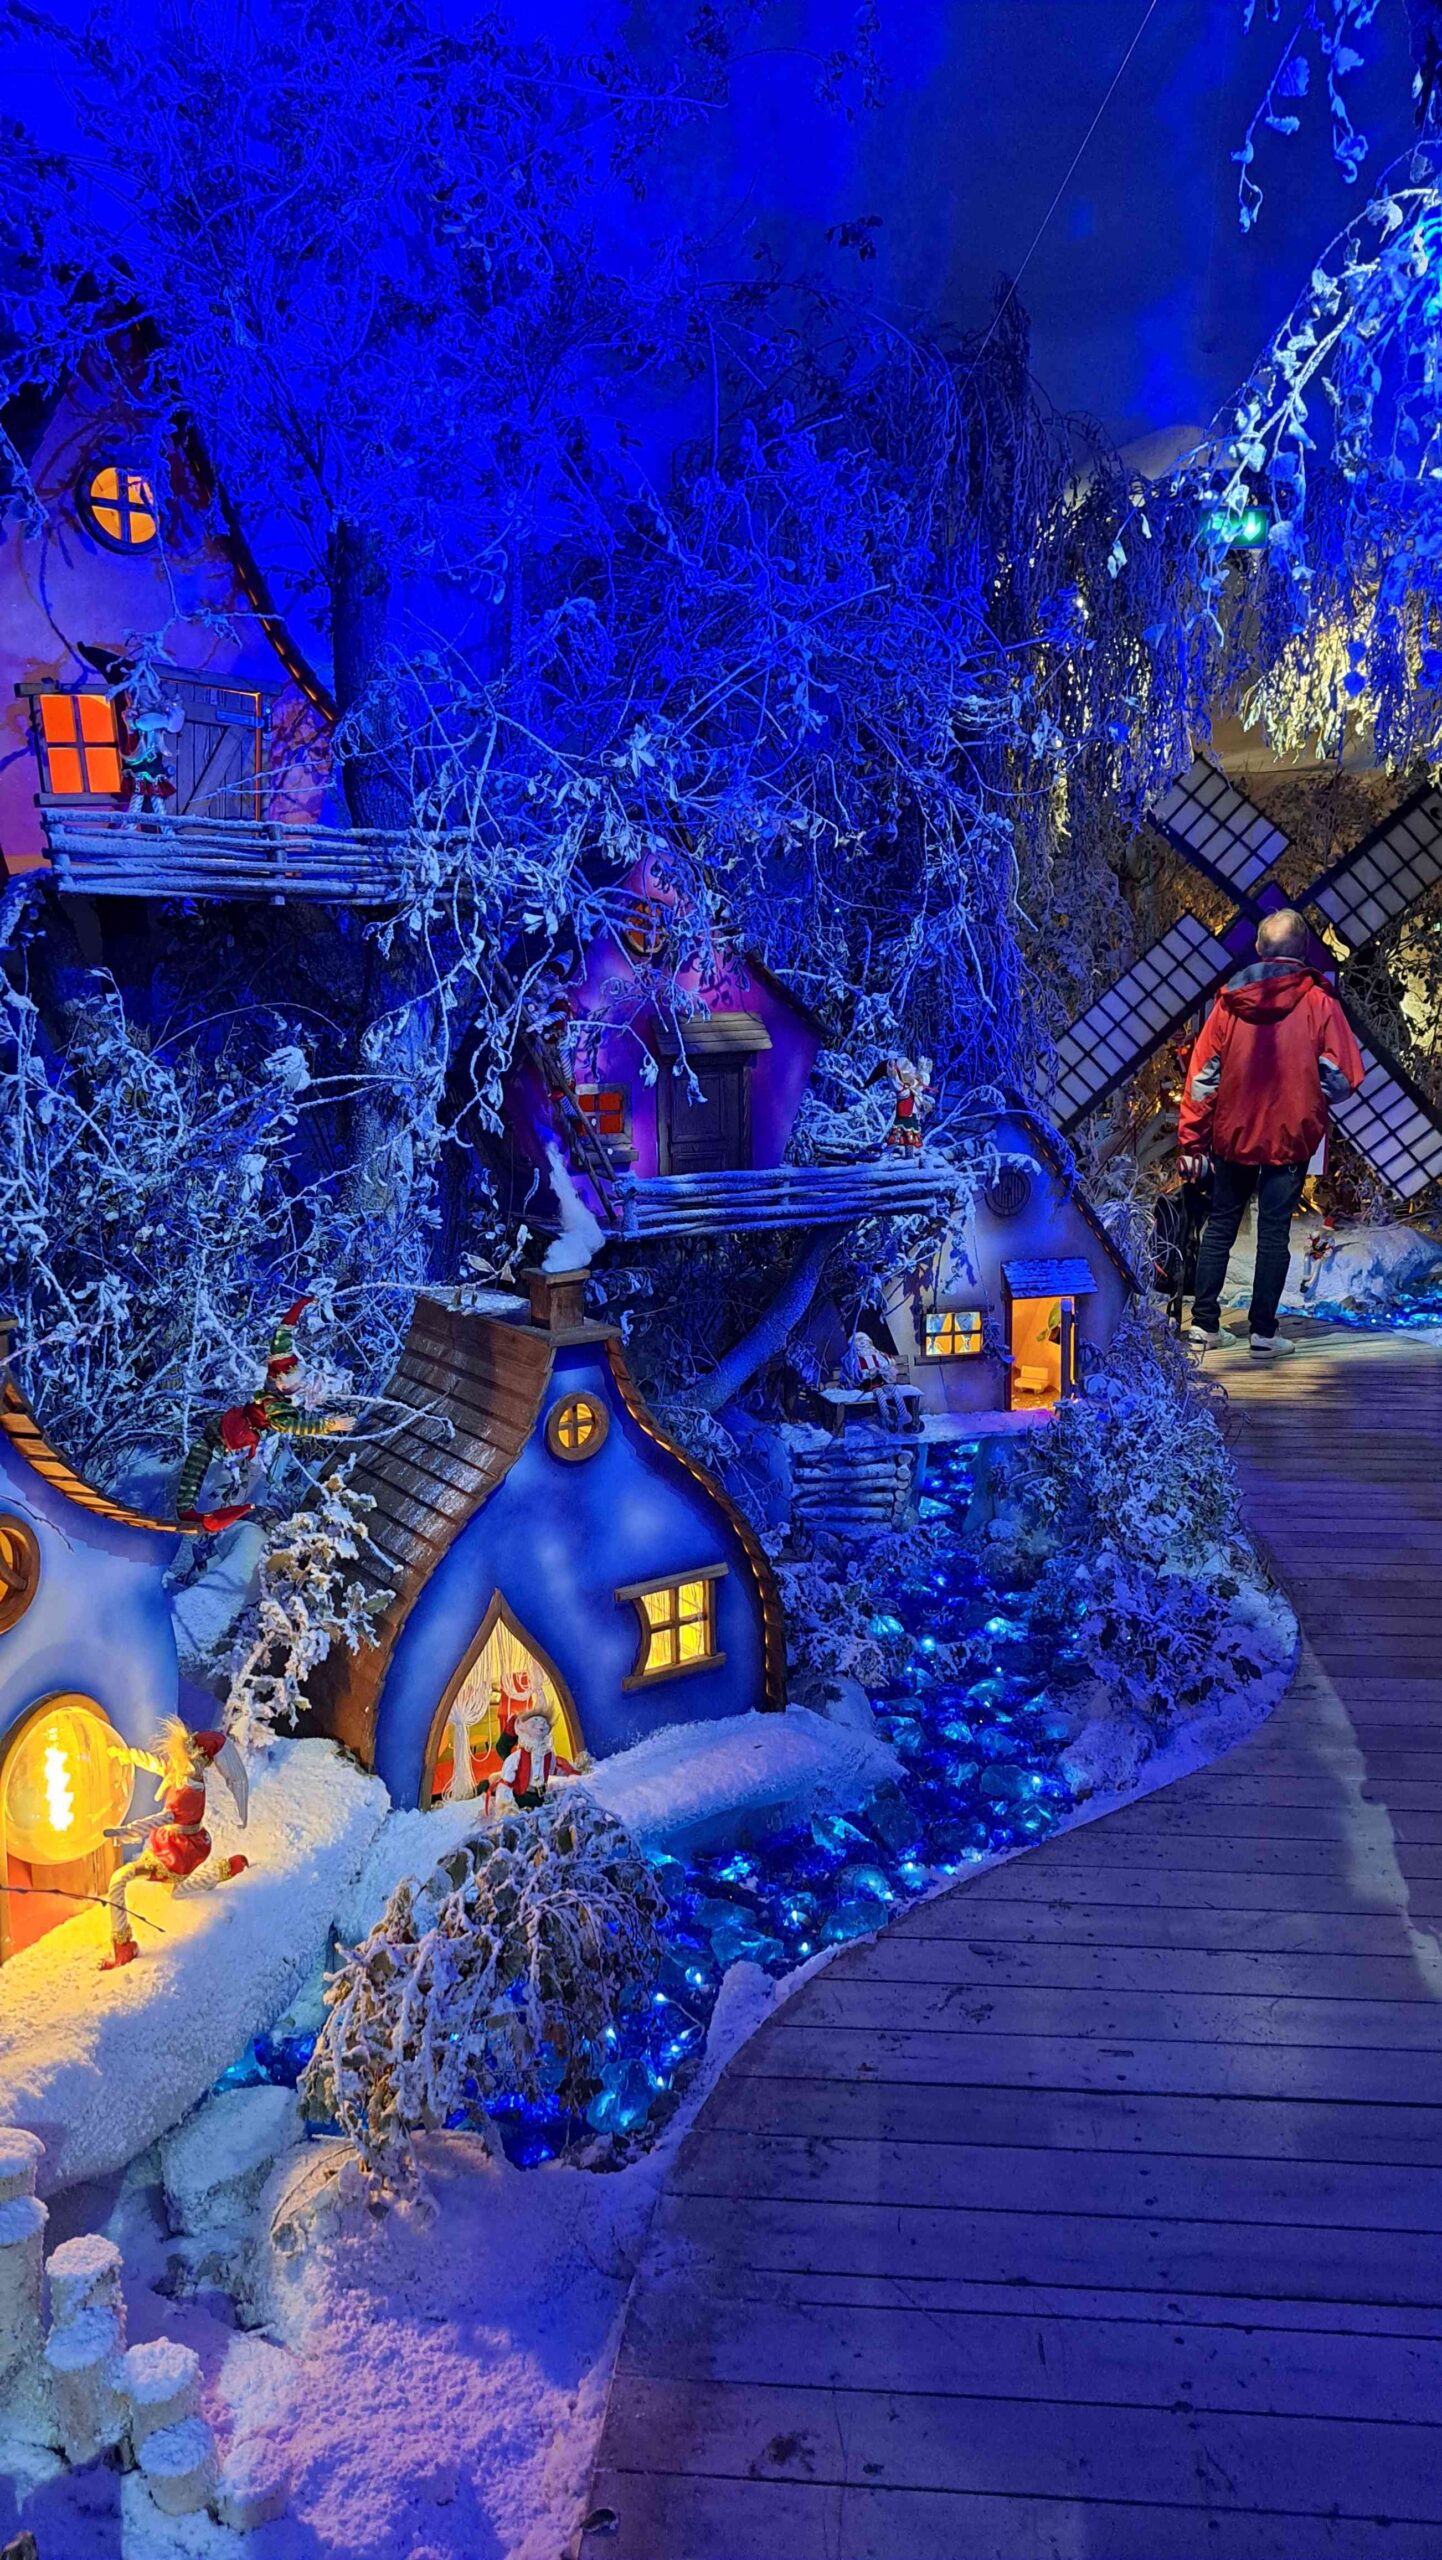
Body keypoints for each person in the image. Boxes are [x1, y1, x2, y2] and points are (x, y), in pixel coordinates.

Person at [1178, 908, 1363, 1358]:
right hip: (1290, 1135)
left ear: (1259, 948)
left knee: (1221, 1224)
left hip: (1233, 1132)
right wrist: (1308, 1095)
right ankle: (1263, 1333)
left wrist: (1192, 1140)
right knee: (1274, 1232)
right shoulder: (1320, 1002)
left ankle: (1203, 1325)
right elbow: (1343, 1076)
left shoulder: (1229, 1002)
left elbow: (1202, 1077)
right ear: (1304, 951)